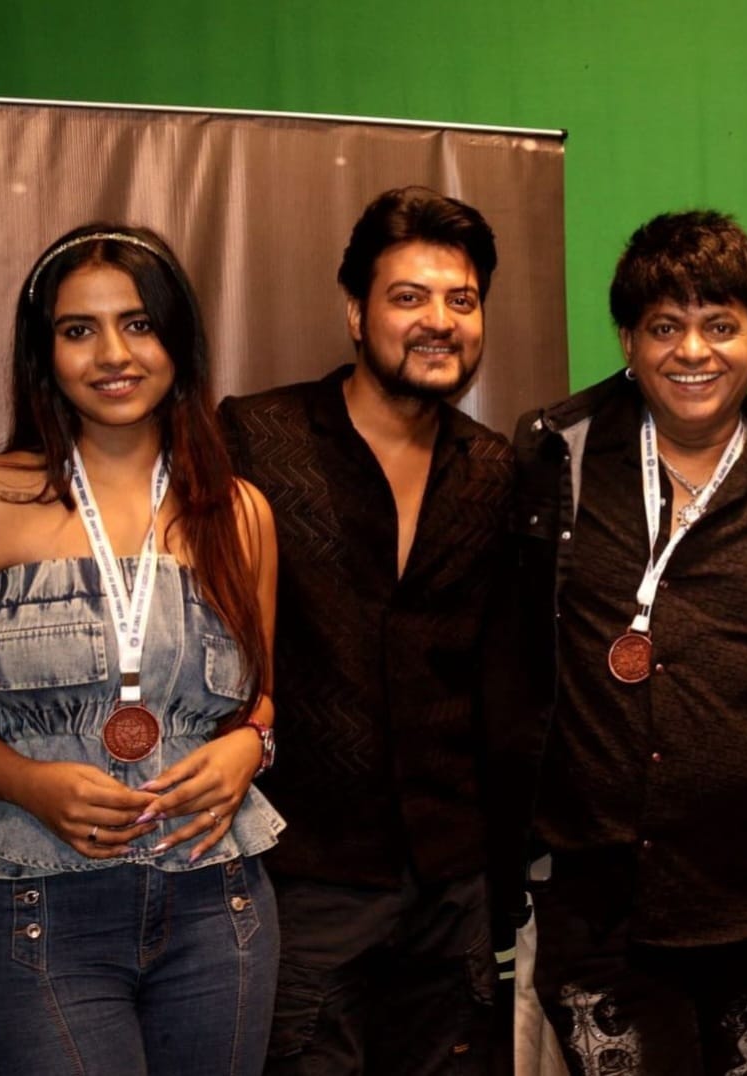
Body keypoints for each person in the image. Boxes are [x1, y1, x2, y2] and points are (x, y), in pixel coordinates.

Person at [0, 224, 283, 1075]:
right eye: (79, 329)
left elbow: (260, 698)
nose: (113, 354)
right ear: (45, 352)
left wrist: (249, 746)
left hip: (219, 904)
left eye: (138, 323)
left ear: (177, 339)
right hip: (32, 903)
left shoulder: (240, 513)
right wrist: (27, 782)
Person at [512, 210, 747, 1076]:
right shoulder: (557, 457)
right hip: (598, 916)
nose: (693, 351)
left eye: (719, 325)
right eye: (664, 326)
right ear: (627, 341)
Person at [218, 186, 514, 1075]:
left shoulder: (498, 471)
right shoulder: (255, 441)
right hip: (303, 877)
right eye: (409, 297)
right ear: (356, 312)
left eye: (462, 300)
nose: (440, 322)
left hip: (453, 888)